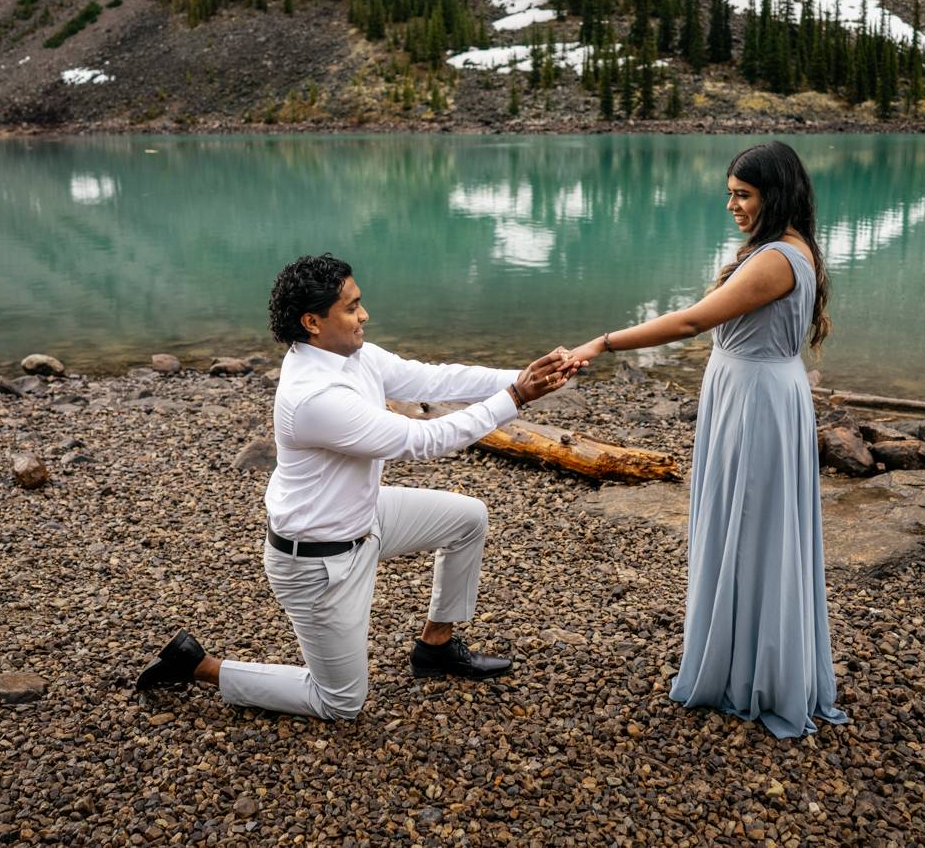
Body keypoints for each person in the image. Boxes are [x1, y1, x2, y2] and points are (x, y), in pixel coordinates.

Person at [136, 254, 582, 720]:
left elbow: (430, 377)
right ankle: (198, 665)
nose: (363, 315)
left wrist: (519, 376)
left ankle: (436, 648)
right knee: (340, 702)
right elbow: (421, 440)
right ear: (312, 321)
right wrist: (515, 398)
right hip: (318, 560)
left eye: (359, 303)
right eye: (351, 308)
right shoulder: (316, 398)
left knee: (467, 518)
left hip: (365, 517)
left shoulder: (349, 354)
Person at [568, 141, 847, 738]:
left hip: (757, 404)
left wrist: (605, 342)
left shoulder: (776, 258)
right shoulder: (789, 247)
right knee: (749, 524)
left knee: (751, 523)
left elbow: (694, 320)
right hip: (756, 394)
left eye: (743, 194)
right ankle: (741, 658)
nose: (732, 205)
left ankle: (751, 672)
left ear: (777, 194)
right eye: (729, 193)